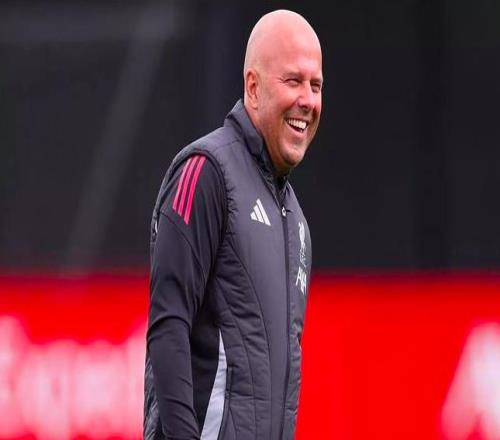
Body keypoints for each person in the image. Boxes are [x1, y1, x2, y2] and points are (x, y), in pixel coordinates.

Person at [144, 9, 323, 440]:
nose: (307, 100)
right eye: (293, 81)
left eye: (316, 85)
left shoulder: (296, 222)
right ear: (253, 88)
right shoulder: (206, 173)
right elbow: (168, 325)